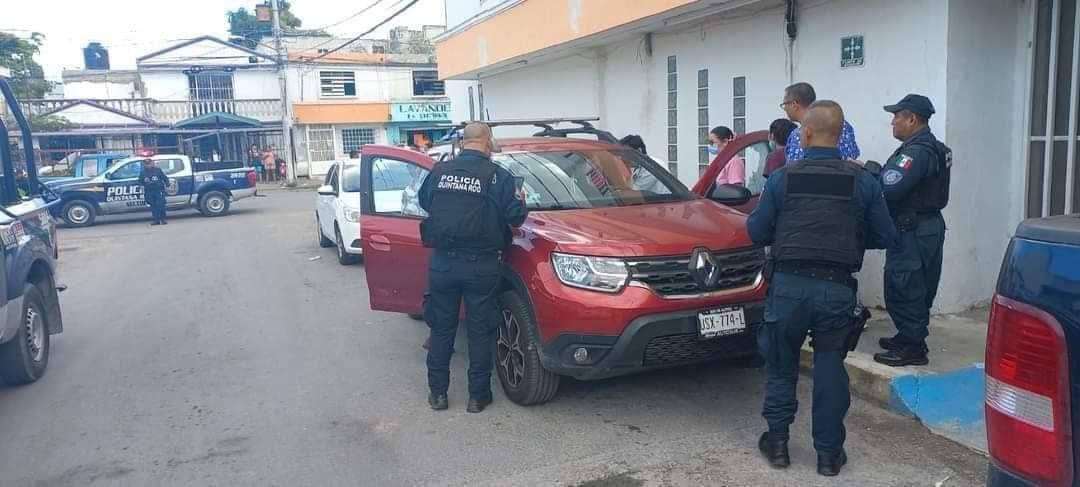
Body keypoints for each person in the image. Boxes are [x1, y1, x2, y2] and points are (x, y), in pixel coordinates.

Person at [746, 100, 896, 476]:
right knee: (830, 370)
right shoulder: (863, 182)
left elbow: (755, 231)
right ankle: (829, 456)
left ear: (806, 133)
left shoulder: (783, 177)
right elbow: (886, 235)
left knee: (782, 368)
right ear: (842, 136)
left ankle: (778, 445)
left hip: (789, 288)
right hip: (836, 290)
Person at [418, 122, 527, 413]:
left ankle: (438, 394)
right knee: (480, 332)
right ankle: (478, 397)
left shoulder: (439, 172)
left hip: (443, 264)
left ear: (463, 143)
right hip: (481, 267)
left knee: (441, 330)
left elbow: (424, 202)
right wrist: (522, 201)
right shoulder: (499, 177)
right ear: (488, 142)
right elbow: (516, 218)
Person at [873, 94, 952, 367]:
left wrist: (872, 172)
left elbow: (890, 187)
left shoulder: (915, 152)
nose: (893, 122)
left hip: (913, 228)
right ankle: (908, 336)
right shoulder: (934, 147)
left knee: (905, 285)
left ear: (912, 119)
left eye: (897, 116)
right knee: (917, 283)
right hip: (925, 226)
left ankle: (913, 347)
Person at [781, 82, 860, 163]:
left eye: (784, 104)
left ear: (794, 104)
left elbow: (792, 170)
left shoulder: (797, 135)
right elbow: (853, 156)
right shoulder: (842, 124)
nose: (784, 109)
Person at [140, 158, 170, 226]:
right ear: (144, 164)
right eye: (146, 164)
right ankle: (156, 220)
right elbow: (140, 181)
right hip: (149, 191)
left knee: (160, 205)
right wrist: (141, 186)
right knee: (153, 206)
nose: (148, 165)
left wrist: (167, 184)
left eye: (149, 163)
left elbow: (164, 178)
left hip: (158, 190)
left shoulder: (158, 170)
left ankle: (163, 220)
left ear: (152, 163)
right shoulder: (142, 173)